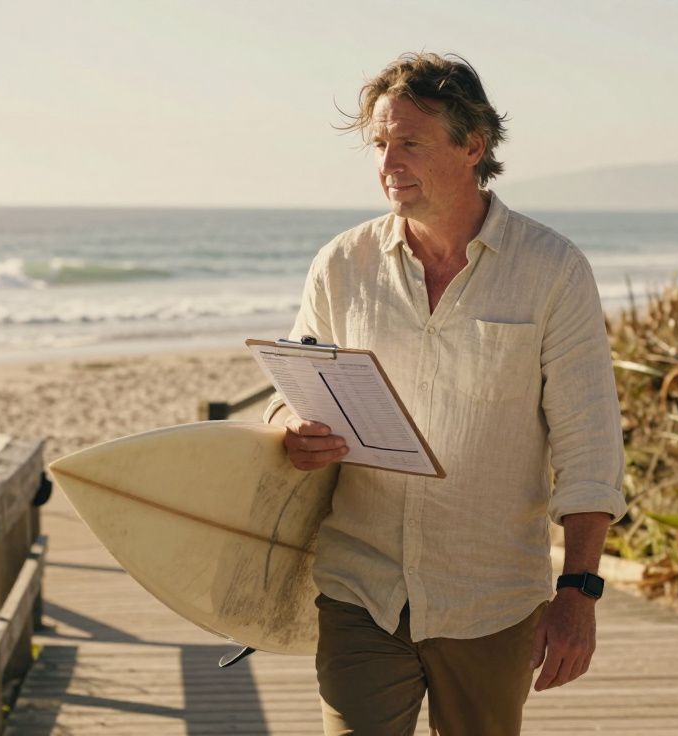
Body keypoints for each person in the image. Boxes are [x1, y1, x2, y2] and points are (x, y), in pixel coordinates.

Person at [265, 52, 626, 735]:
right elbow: (294, 389)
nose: (388, 162)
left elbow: (589, 443)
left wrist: (579, 591)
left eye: (410, 142)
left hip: (489, 600)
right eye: (379, 143)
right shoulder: (341, 265)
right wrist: (292, 429)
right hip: (360, 588)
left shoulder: (551, 269)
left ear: (473, 146)